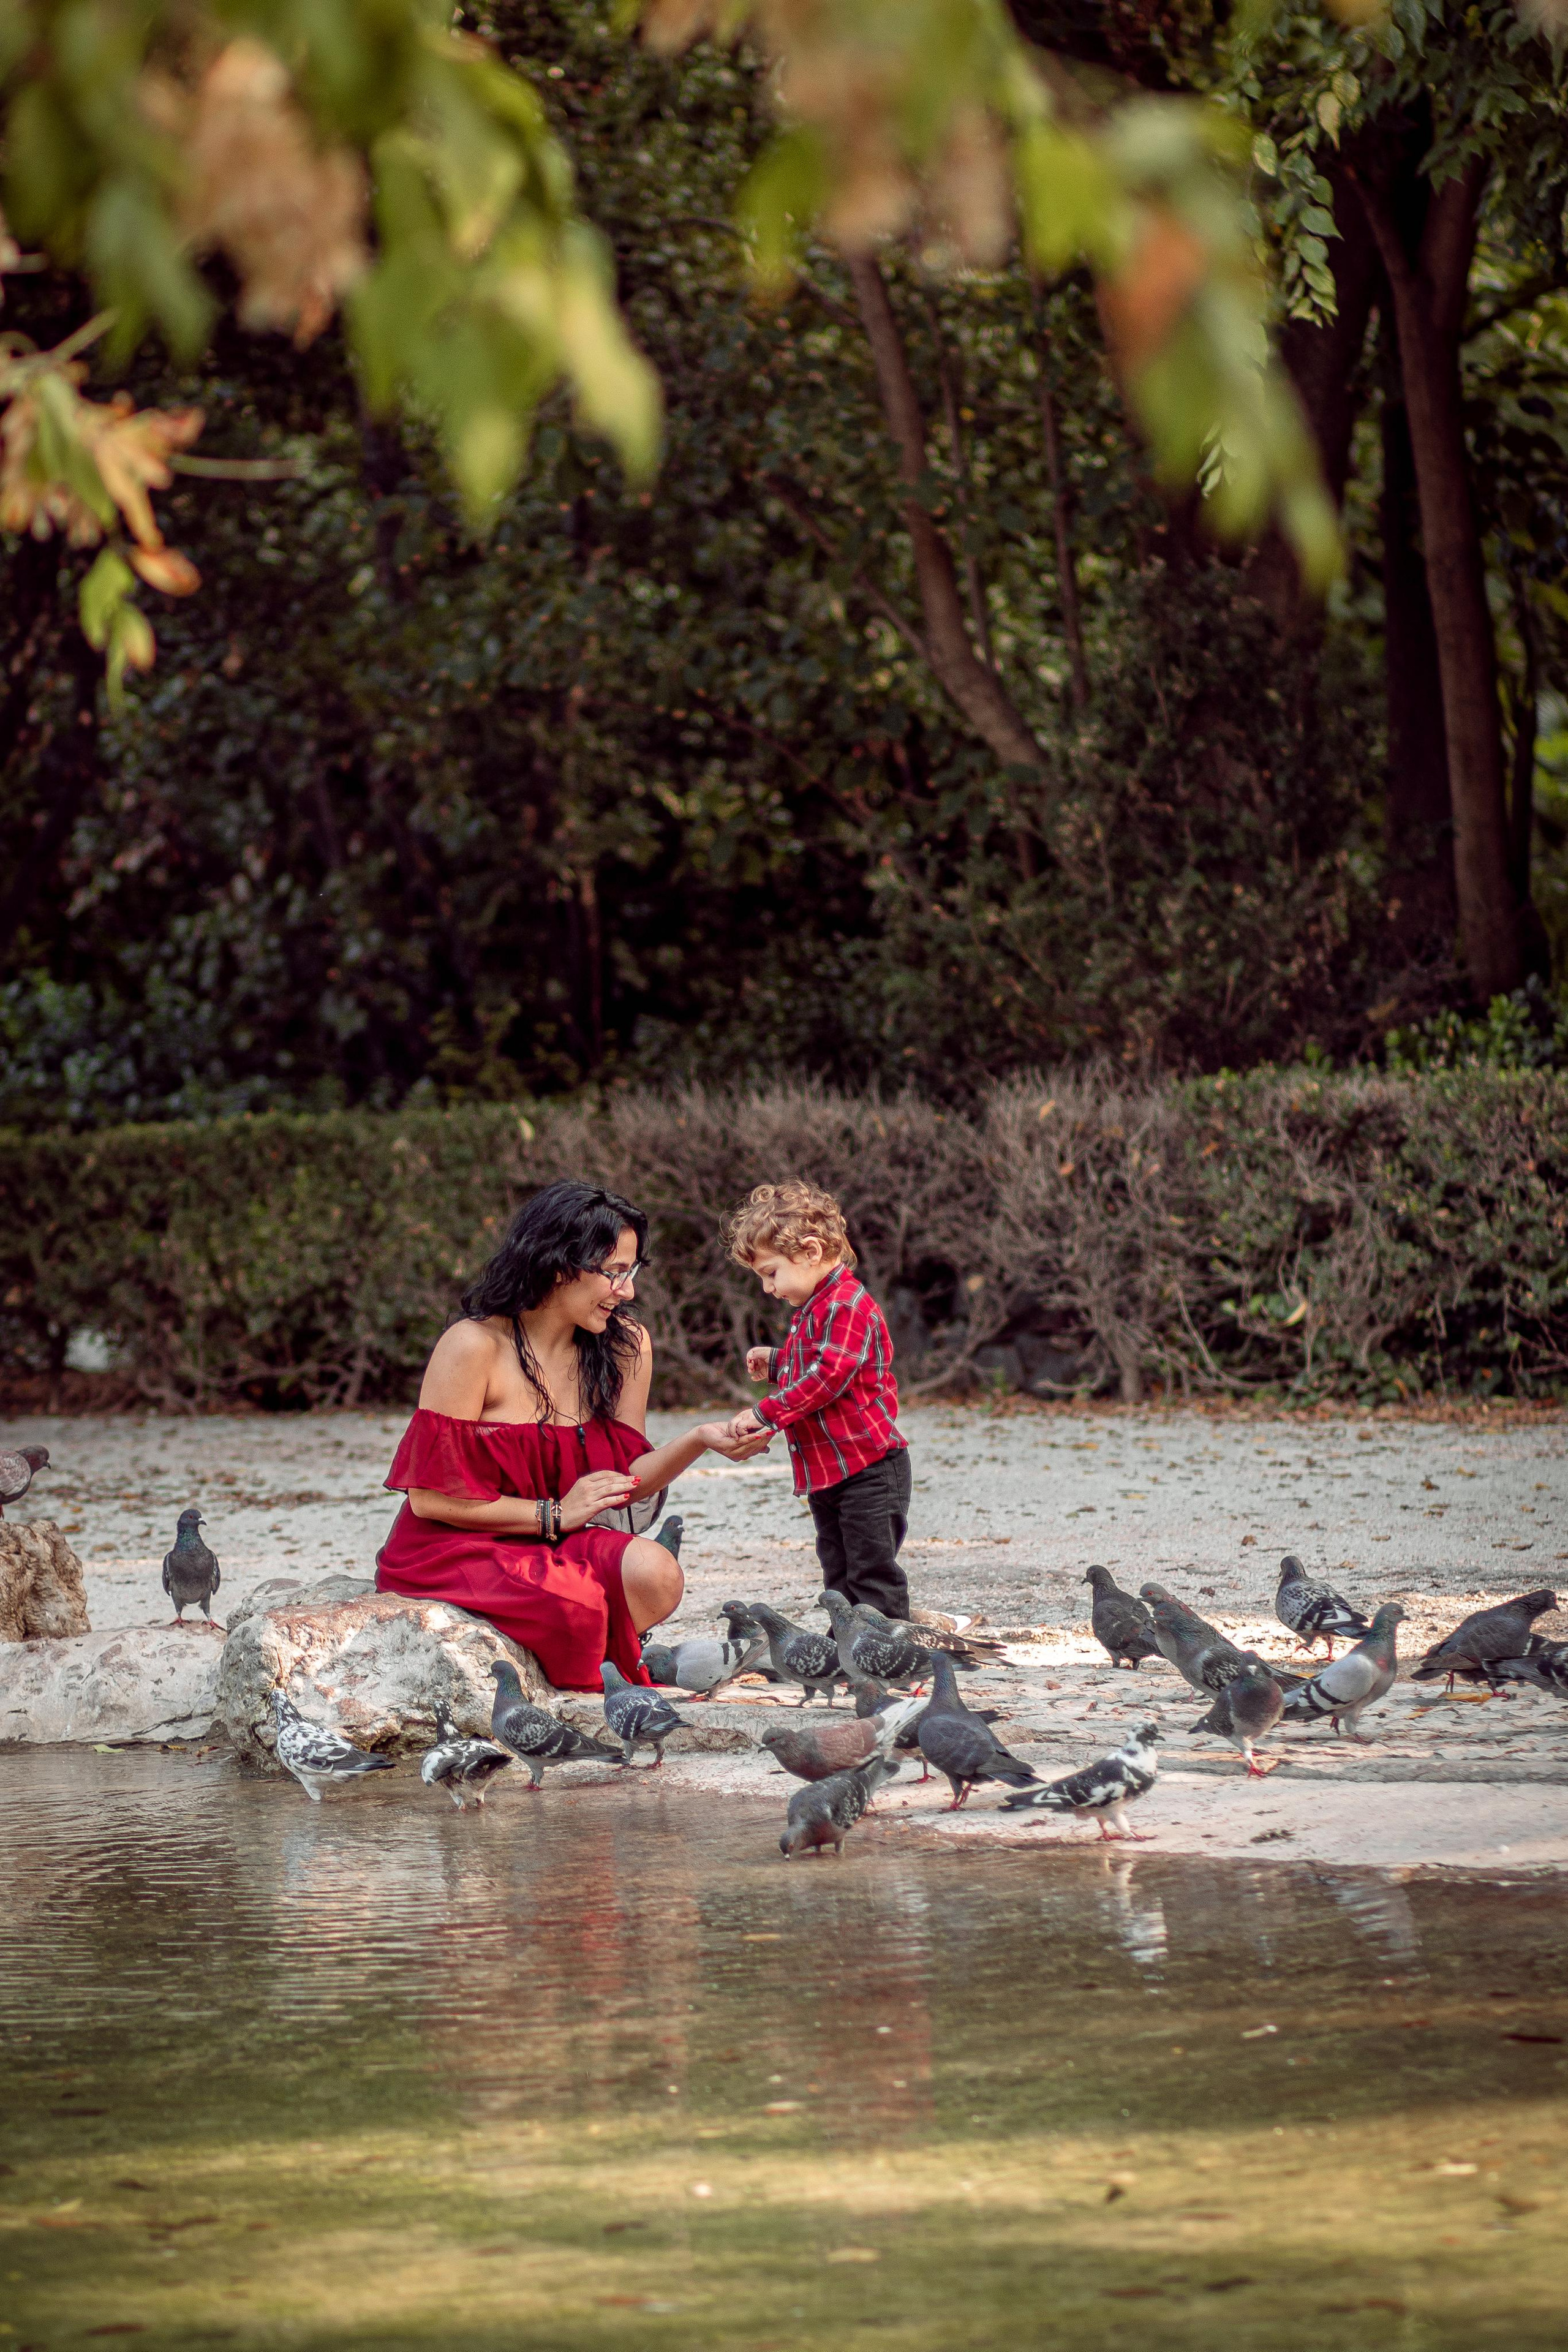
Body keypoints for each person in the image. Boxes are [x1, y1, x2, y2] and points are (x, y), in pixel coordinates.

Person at [375, 1180, 769, 1690]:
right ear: (559, 1265)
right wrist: (555, 1512)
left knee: (658, 1573)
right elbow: (429, 1500)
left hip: (557, 1540)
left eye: (631, 1272)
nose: (627, 1291)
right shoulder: (473, 1346)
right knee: (578, 1605)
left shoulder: (626, 1345)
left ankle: (563, 1650)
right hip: (456, 1548)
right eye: (614, 1273)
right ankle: (565, 1665)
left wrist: (699, 1440)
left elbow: (625, 1481)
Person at [723, 1180, 911, 1620]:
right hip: (831, 1471)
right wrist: (777, 1363)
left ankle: (886, 1644)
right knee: (838, 1565)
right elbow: (817, 1363)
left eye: (771, 1273)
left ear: (810, 1252)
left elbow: (829, 1378)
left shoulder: (846, 1305)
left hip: (869, 1469)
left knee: (871, 1569)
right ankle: (846, 1642)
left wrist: (764, 1413)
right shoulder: (816, 1307)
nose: (768, 1288)